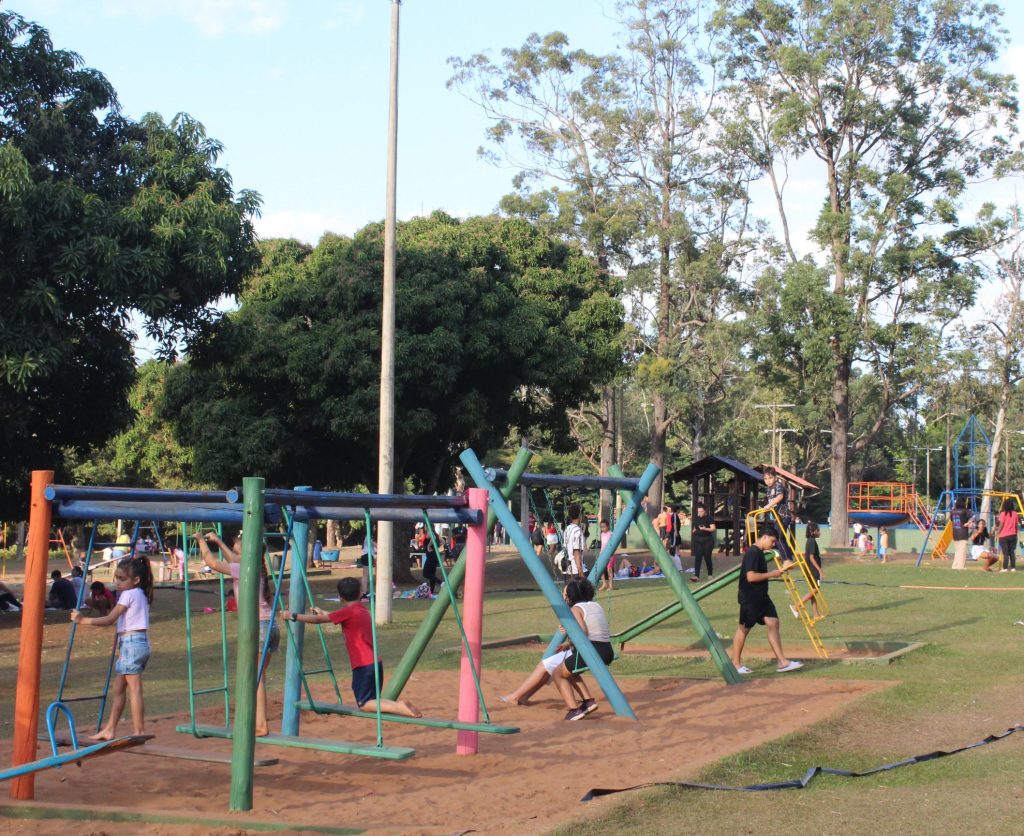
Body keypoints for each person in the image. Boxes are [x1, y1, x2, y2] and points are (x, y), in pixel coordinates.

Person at [292, 577, 421, 717]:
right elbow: (336, 617)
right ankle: (397, 705)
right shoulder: (361, 609)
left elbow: (318, 620)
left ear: (340, 597)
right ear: (360, 593)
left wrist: (293, 616)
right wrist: (323, 612)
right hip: (375, 663)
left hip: (363, 666)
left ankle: (398, 706)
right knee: (373, 700)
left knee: (364, 704)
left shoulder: (348, 612)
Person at [195, 531, 279, 737]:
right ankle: (258, 722)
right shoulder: (255, 566)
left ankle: (261, 724)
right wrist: (218, 541)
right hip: (270, 625)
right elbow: (233, 559)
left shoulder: (243, 569)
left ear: (248, 554)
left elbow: (212, 563)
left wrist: (200, 541)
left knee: (256, 678)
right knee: (257, 677)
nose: (234, 555)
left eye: (238, 552)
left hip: (259, 627)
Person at [499, 579, 612, 720]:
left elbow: (583, 632)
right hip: (606, 650)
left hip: (591, 652)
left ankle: (574, 710)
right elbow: (592, 630)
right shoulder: (595, 605)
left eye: (565, 593)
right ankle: (588, 702)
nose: (564, 596)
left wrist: (569, 631)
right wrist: (569, 642)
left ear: (570, 596)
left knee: (558, 673)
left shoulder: (576, 609)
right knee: (566, 669)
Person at [70, 555, 153, 740]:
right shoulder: (140, 594)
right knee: (118, 688)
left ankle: (139, 731)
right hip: (136, 643)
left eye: (122, 579)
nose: (118, 583)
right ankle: (110, 729)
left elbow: (110, 619)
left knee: (135, 688)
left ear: (136, 580)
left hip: (132, 644)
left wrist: (83, 620)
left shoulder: (128, 594)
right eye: (116, 578)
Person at [730, 527, 802, 675]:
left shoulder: (760, 553)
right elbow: (751, 577)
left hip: (761, 597)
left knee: (773, 622)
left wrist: (780, 569)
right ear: (764, 537)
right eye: (772, 541)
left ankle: (782, 662)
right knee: (744, 628)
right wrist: (772, 574)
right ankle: (735, 664)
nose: (773, 544)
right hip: (750, 597)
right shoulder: (753, 553)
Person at [791, 523, 824, 619]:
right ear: (812, 532)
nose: (819, 532)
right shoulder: (812, 542)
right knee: (815, 590)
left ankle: (816, 614)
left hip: (809, 570)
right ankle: (796, 606)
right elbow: (811, 558)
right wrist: (820, 571)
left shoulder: (810, 541)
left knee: (813, 590)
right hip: (813, 571)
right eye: (818, 530)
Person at [761, 467, 792, 558]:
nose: (768, 481)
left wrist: (769, 505)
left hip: (783, 516)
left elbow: (780, 497)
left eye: (770, 478)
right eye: (765, 479)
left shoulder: (778, 485)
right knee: (779, 538)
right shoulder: (768, 490)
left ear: (775, 477)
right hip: (777, 517)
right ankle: (788, 558)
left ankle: (787, 560)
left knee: (778, 538)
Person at [689, 503, 716, 583]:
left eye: (701, 511)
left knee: (707, 558)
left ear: (705, 511)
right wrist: (694, 531)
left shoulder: (709, 518)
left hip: (707, 540)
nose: (700, 513)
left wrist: (705, 529)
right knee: (698, 557)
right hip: (697, 541)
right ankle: (696, 576)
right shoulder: (696, 518)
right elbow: (695, 528)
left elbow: (713, 528)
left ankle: (710, 574)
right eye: (698, 511)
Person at [562, 504, 586, 581]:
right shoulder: (577, 531)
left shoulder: (567, 529)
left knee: (570, 587)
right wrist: (580, 570)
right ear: (580, 515)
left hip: (569, 567)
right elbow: (576, 551)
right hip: (576, 568)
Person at [996, 497, 1019, 572]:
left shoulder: (1003, 514)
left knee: (1005, 553)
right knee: (1012, 552)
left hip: (1004, 536)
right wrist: (1016, 533)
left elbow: (1001, 525)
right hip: (1013, 535)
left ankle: (1005, 568)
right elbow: (1016, 525)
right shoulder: (1015, 514)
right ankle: (1013, 568)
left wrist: (997, 533)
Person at [950, 497, 971, 570]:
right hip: (963, 533)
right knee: (962, 551)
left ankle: (954, 566)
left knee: (957, 551)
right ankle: (960, 566)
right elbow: (973, 516)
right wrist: (968, 523)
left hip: (955, 533)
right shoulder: (965, 511)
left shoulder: (953, 511)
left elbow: (951, 520)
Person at [597, 519, 615, 591]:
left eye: (604, 527)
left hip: (610, 554)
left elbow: (613, 544)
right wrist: (600, 553)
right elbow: (602, 545)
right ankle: (604, 583)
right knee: (600, 568)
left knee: (609, 569)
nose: (602, 528)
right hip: (603, 554)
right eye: (601, 527)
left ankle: (611, 585)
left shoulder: (611, 534)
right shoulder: (602, 534)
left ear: (608, 526)